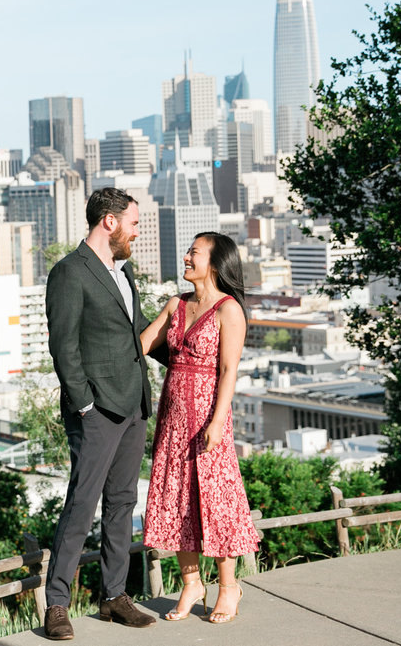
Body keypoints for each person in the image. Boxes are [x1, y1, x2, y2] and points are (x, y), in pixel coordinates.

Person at [41, 187, 164, 640]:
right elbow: (63, 346)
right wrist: (86, 405)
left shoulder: (123, 273)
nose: (137, 232)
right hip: (96, 411)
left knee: (122, 504)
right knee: (81, 505)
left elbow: (131, 337)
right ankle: (56, 604)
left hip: (133, 406)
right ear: (109, 222)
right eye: (133, 223)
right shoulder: (70, 273)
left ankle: (114, 596)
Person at [141, 231, 260, 625]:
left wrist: (218, 420)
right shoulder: (176, 303)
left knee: (216, 501)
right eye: (188, 251)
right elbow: (140, 344)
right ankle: (191, 582)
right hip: (172, 419)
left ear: (215, 262)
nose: (187, 258)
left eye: (195, 253)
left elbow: (228, 371)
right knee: (175, 497)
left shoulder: (229, 310)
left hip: (209, 419)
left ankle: (229, 587)